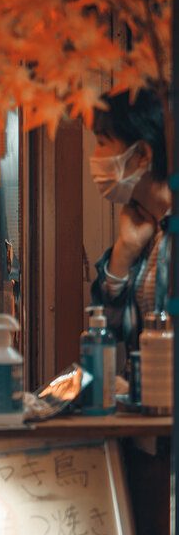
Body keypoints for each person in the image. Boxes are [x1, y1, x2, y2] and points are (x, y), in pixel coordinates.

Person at [90, 88, 173, 356]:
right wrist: (123, 253)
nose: (95, 155)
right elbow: (112, 333)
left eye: (102, 142)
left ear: (142, 155)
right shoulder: (147, 229)